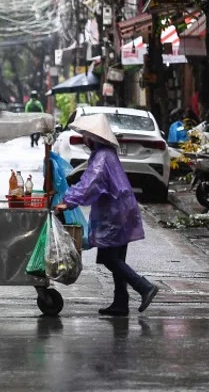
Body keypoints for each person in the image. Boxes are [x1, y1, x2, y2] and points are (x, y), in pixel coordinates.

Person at [55, 114, 158, 316]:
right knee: (117, 258)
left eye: (86, 135)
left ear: (93, 137)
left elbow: (90, 184)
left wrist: (68, 200)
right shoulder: (104, 154)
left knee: (110, 259)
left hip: (115, 215)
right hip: (122, 211)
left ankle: (144, 287)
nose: (84, 139)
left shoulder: (102, 158)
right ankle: (120, 302)